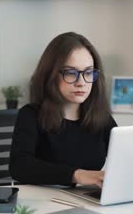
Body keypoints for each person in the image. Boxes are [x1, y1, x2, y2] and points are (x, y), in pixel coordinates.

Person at [9, 32, 117, 188]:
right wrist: (78, 175)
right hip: (42, 202)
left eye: (88, 72)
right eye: (71, 73)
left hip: (84, 201)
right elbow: (19, 166)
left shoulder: (101, 118)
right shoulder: (31, 114)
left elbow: (125, 159)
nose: (81, 82)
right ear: (50, 75)